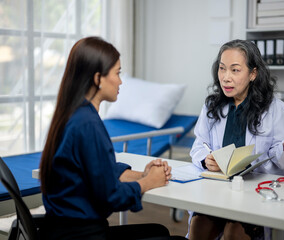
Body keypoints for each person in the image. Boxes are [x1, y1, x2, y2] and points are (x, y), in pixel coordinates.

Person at [39, 36, 185, 240]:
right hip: (83, 235)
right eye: (117, 73)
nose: (121, 81)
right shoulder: (88, 124)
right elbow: (111, 197)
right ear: (98, 78)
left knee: (159, 231)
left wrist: (142, 174)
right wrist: (147, 183)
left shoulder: (72, 114)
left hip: (61, 230)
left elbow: (96, 170)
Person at [188, 39, 284, 240]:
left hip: (256, 194)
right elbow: (199, 145)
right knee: (198, 228)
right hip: (218, 191)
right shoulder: (212, 106)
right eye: (222, 69)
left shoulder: (275, 109)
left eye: (235, 70)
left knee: (233, 234)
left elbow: (280, 160)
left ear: (253, 74)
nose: (226, 77)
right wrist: (206, 159)